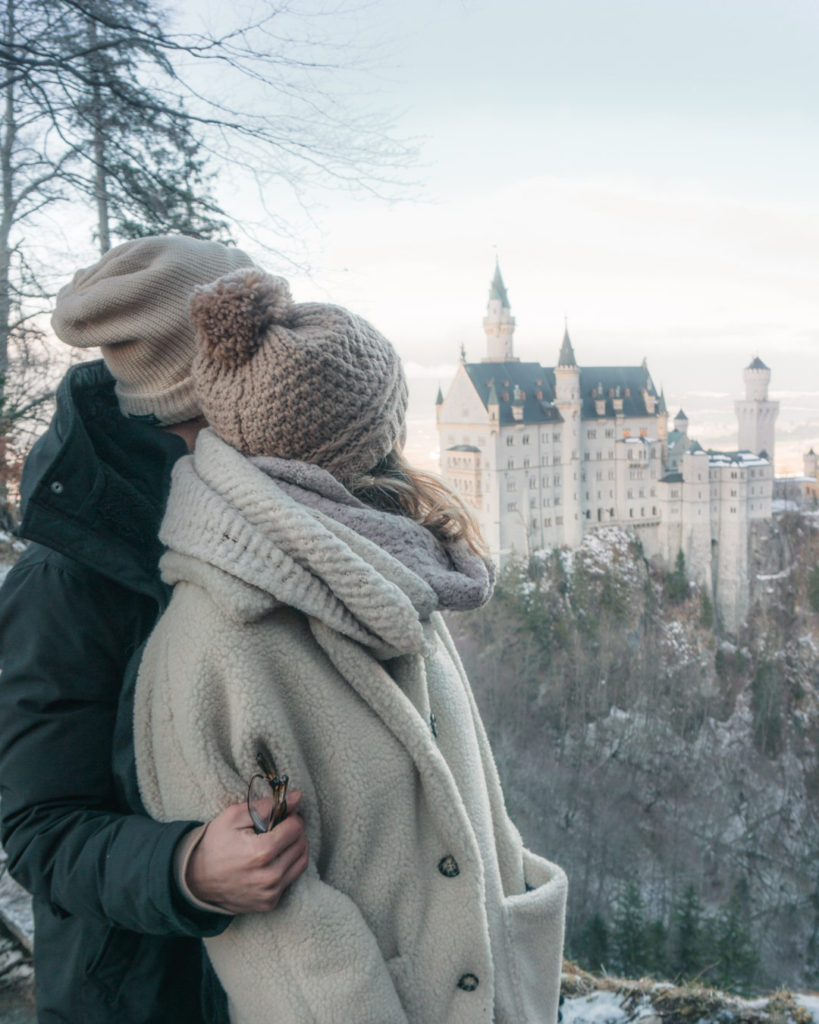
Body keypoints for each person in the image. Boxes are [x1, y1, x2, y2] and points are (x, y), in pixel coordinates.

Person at [134, 267, 568, 1023]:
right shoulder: (212, 641)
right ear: (365, 438)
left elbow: (473, 807)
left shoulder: (394, 571)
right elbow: (281, 946)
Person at [0, 237, 308, 1024]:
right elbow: (39, 831)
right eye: (259, 350)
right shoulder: (68, 577)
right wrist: (186, 869)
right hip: (143, 999)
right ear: (192, 389)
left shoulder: (273, 512)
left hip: (296, 980)